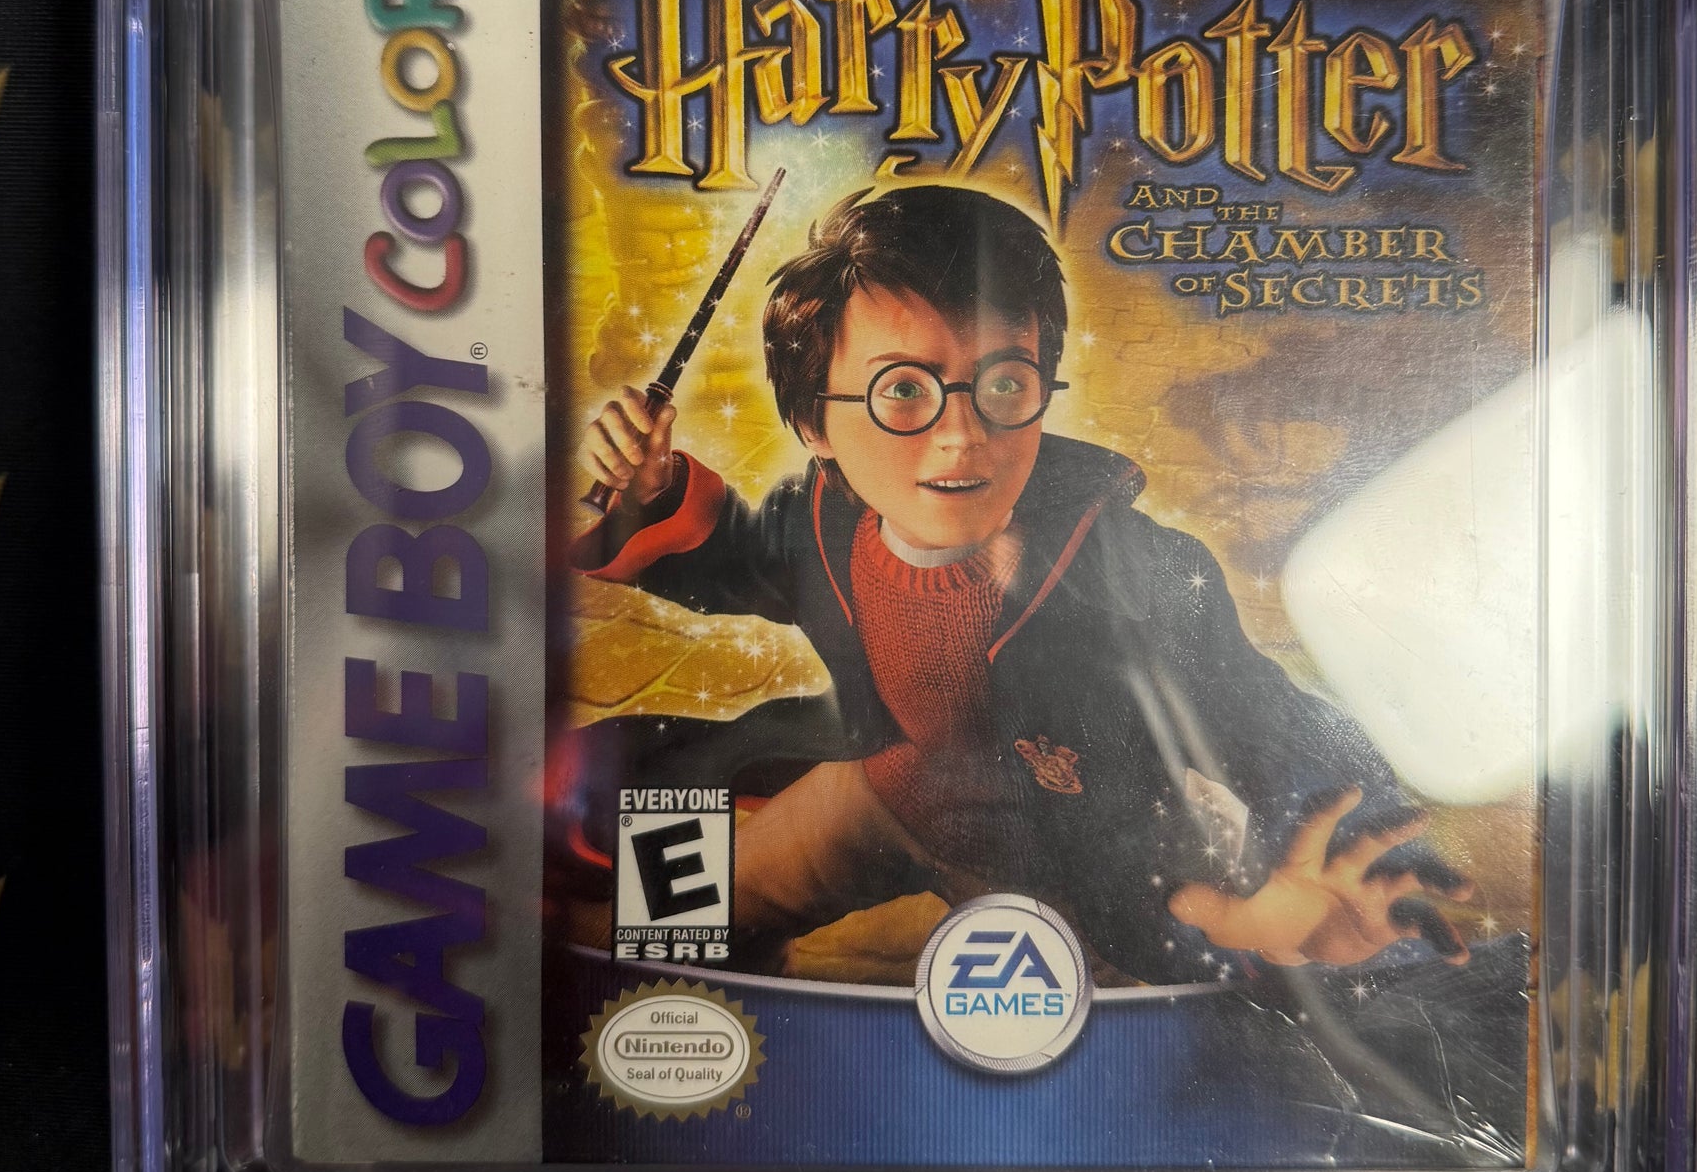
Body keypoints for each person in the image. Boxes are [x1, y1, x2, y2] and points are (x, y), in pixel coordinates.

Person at [572, 183, 1467, 981]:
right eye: (903, 390)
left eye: (1004, 382)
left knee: (1117, 1032)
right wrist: (651, 488)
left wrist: (1350, 852)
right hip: (886, 788)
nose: (962, 434)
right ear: (815, 422)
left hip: (1066, 858)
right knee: (654, 926)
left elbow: (1261, 716)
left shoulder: (1139, 572)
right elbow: (734, 561)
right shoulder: (824, 518)